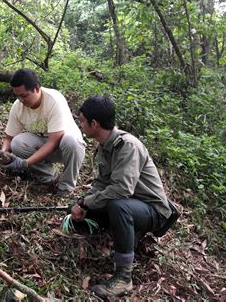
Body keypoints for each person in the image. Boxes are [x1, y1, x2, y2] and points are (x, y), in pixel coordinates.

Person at [71, 95, 175, 298]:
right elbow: (102, 183)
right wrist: (82, 204)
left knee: (119, 206)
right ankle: (123, 234)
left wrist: (86, 201)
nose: (80, 124)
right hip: (132, 203)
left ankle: (124, 278)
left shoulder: (128, 146)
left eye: (82, 120)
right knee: (90, 208)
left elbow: (121, 190)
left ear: (94, 123)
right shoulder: (105, 145)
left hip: (153, 210)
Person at [0, 69, 85, 196]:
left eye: (24, 95)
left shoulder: (53, 101)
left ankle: (66, 186)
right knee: (17, 143)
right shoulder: (18, 106)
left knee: (71, 142)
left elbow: (53, 141)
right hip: (42, 142)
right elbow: (8, 138)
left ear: (37, 88)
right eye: (17, 96)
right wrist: (4, 153)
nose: (21, 100)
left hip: (63, 146)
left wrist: (26, 163)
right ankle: (49, 177)